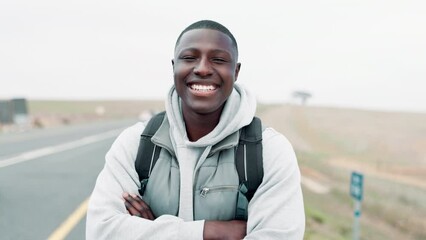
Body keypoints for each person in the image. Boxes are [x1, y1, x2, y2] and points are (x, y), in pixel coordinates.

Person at [86, 19, 305, 239]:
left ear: (236, 71)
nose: (201, 69)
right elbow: (100, 231)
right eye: (189, 58)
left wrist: (151, 231)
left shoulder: (269, 151)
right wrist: (211, 231)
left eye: (218, 59)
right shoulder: (136, 143)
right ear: (174, 67)